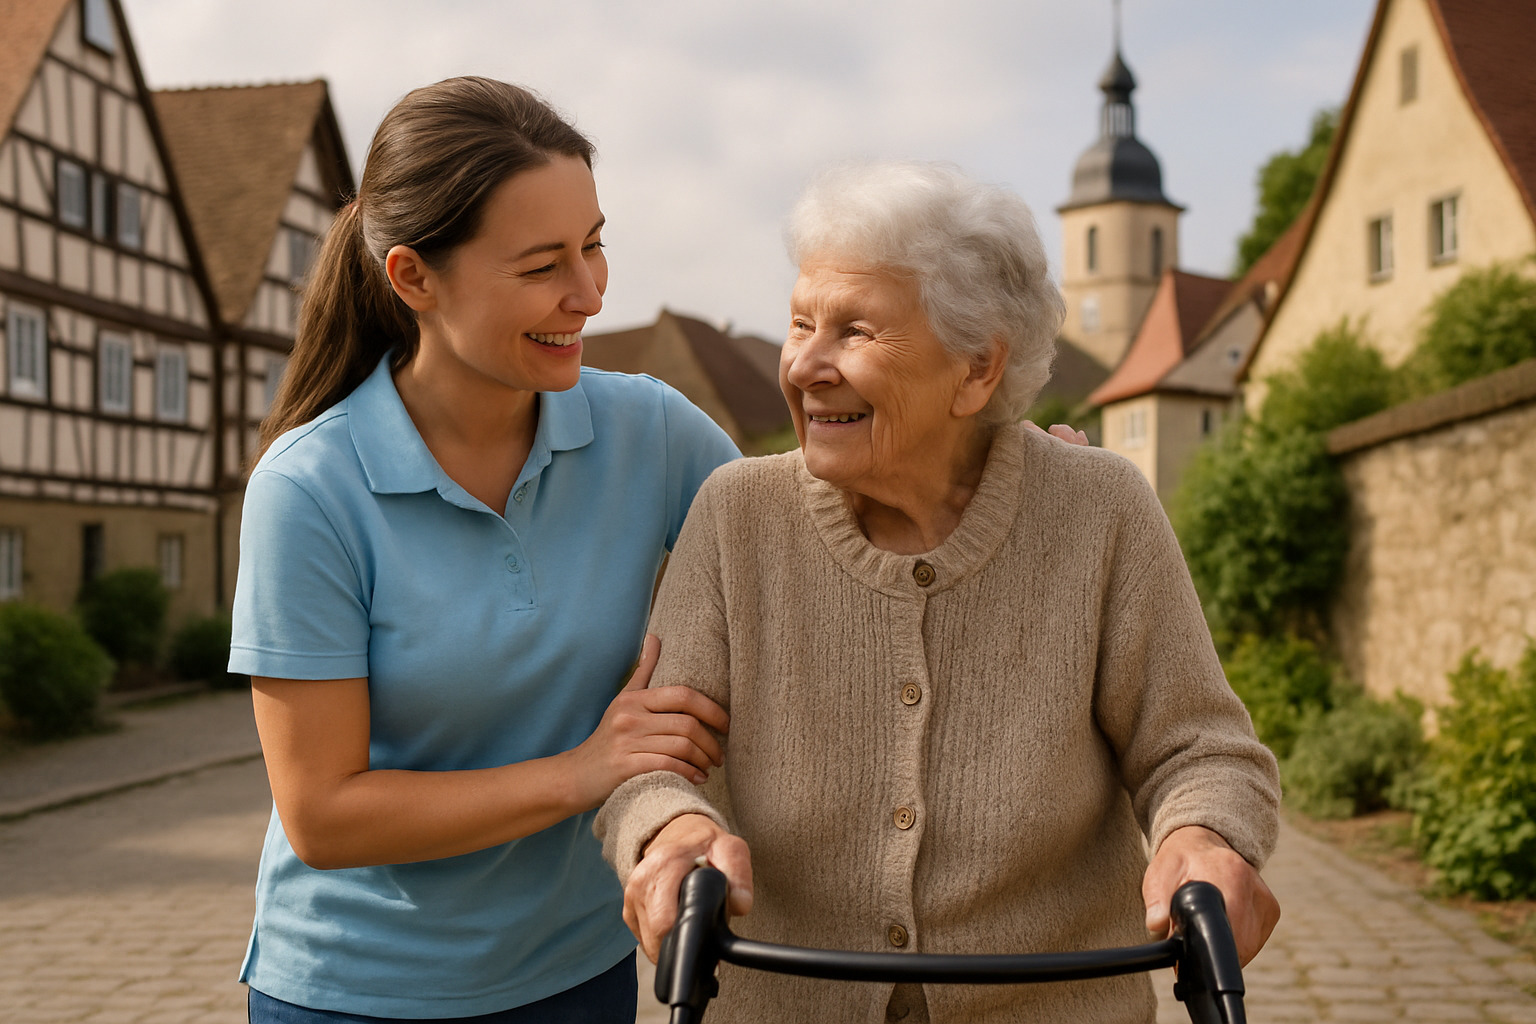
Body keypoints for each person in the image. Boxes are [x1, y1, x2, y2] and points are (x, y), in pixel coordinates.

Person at [597, 161, 1282, 1024]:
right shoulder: (738, 517)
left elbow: (1199, 748)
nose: (806, 364)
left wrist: (1201, 837)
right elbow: (654, 763)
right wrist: (670, 833)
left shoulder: (1099, 508)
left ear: (976, 371)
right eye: (801, 322)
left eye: (855, 331)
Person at [229, 77, 740, 1023]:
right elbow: (326, 815)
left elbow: (811, 536)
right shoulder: (309, 490)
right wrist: (586, 772)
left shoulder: (650, 431)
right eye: (543, 264)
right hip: (357, 992)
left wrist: (1024, 468)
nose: (587, 293)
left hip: (579, 973)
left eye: (593, 244)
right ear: (413, 277)